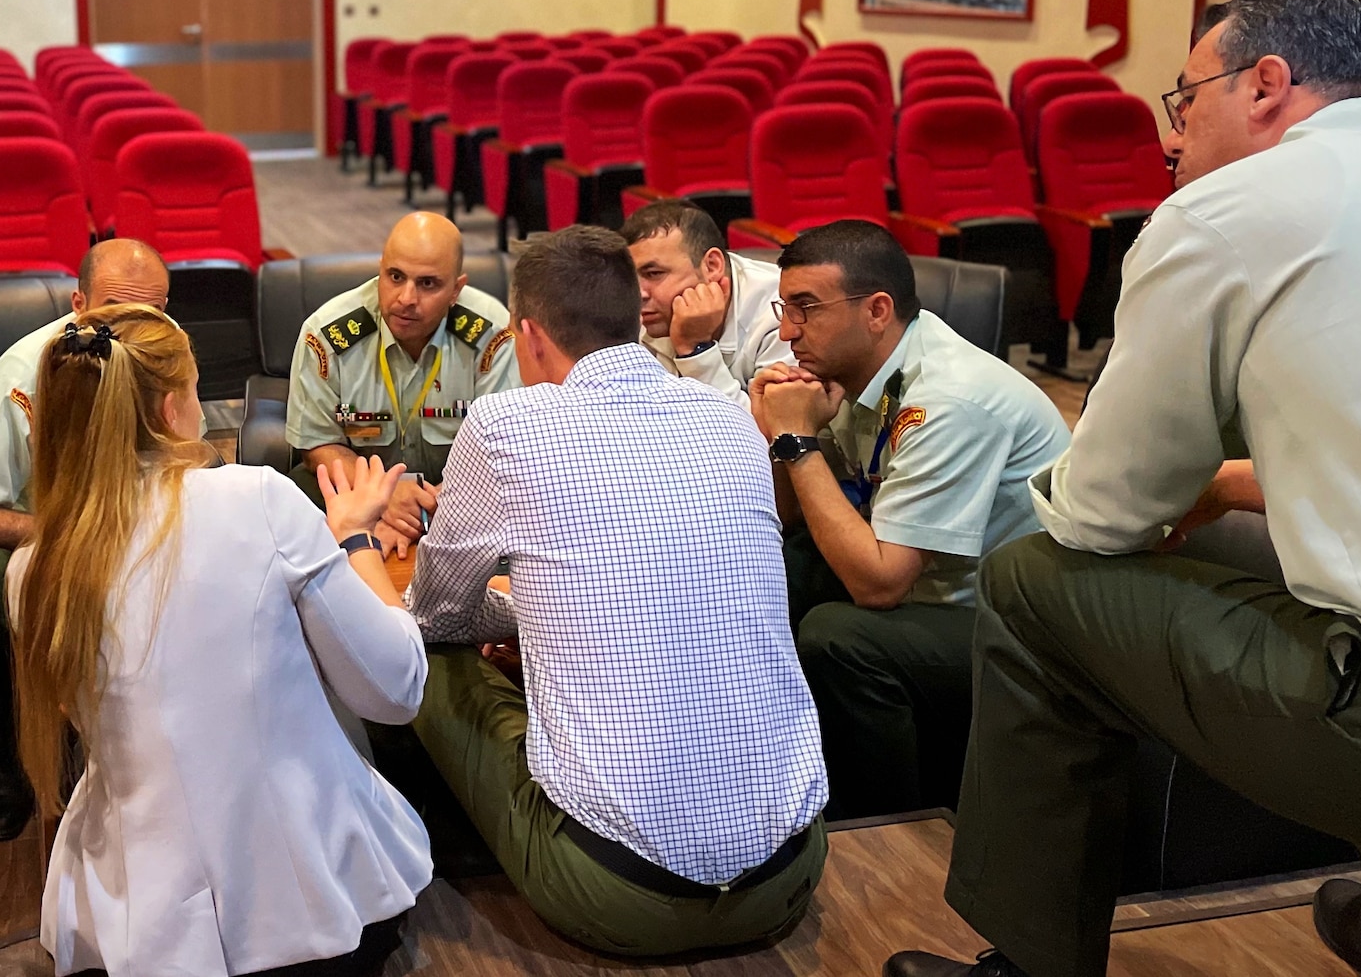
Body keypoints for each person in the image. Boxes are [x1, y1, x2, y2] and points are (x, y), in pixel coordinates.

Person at [887, 0, 1361, 977]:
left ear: (1264, 84)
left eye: (1183, 98)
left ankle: (1031, 961)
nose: (1168, 136)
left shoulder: (1228, 210)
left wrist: (1167, 489)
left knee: (1031, 578)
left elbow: (1102, 513)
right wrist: (1233, 482)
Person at [407, 225, 827, 957]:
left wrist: (362, 553)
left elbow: (440, 612)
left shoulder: (505, 422)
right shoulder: (730, 416)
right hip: (793, 874)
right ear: (636, 317)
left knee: (423, 653)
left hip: (615, 895)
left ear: (527, 335)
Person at [6, 306, 431, 976]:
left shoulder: (30, 570)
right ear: (175, 407)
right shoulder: (258, 499)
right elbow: (394, 689)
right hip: (312, 910)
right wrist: (353, 540)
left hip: (126, 935)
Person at [750, 220, 1066, 820]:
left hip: (1014, 622)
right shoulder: (861, 373)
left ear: (876, 310)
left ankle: (885, 830)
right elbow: (788, 521)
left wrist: (795, 440)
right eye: (783, 308)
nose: (787, 332)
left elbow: (879, 583)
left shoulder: (947, 400)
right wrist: (780, 432)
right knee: (765, 571)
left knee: (840, 639)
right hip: (933, 592)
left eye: (806, 309)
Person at [0, 237, 173, 841]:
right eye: (114, 310)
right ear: (78, 303)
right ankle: (0, 750)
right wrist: (69, 528)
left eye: (153, 313)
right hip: (37, 533)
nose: (133, 329)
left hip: (136, 525)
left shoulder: (166, 363)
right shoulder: (26, 373)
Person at [286, 211, 517, 528]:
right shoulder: (327, 335)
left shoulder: (492, 336)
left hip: (461, 502)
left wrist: (426, 513)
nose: (407, 298)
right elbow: (317, 445)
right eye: (395, 277)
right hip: (360, 491)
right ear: (380, 270)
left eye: (427, 284)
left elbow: (505, 450)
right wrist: (384, 497)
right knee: (296, 491)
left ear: (455, 290)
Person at [621, 198, 790, 408]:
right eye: (630, 277)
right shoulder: (631, 307)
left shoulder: (783, 312)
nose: (639, 294)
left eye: (654, 273)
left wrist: (696, 350)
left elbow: (772, 431)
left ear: (712, 266)